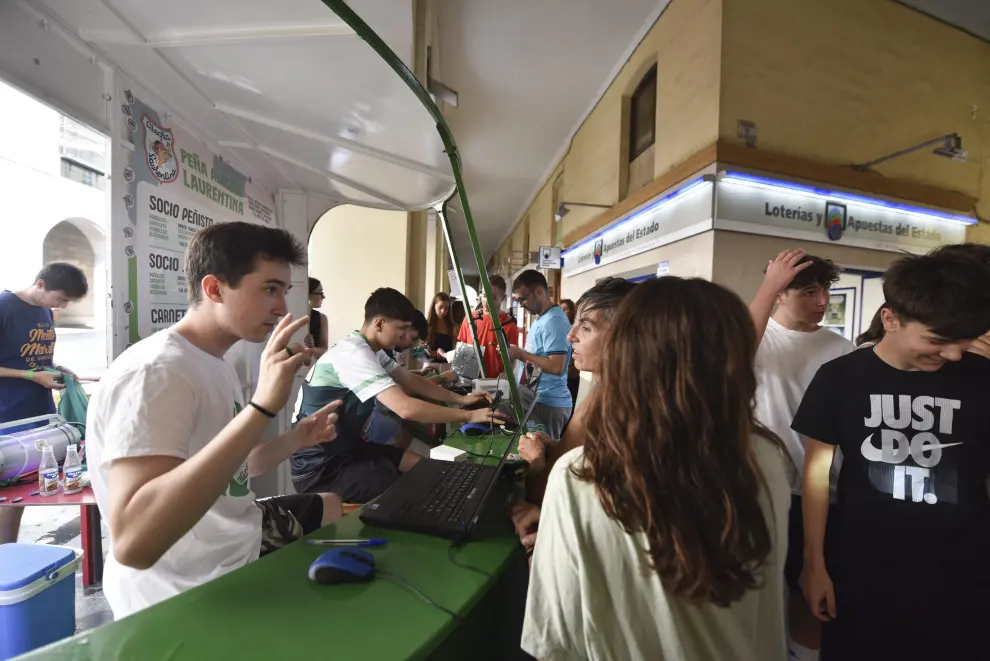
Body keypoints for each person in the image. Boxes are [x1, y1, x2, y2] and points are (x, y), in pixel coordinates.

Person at [522, 277, 790, 661]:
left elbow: (554, 641)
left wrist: (546, 543)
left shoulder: (581, 477)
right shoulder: (766, 460)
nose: (572, 339)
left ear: (628, 351)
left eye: (588, 326)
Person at [86, 222, 345, 619]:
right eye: (269, 289)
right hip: (183, 585)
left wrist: (295, 439)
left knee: (330, 505)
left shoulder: (214, 362)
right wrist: (261, 408)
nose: (281, 308)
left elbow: (234, 468)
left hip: (236, 538)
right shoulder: (159, 372)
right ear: (214, 289)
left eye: (284, 292)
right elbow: (134, 542)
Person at [793, 249, 990, 660]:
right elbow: (815, 474)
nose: (953, 355)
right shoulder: (840, 378)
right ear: (891, 319)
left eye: (962, 342)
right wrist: (814, 564)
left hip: (963, 569)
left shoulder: (980, 378)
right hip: (863, 567)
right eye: (937, 341)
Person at [291, 288, 503, 502]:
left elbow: (410, 379)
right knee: (411, 488)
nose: (404, 337)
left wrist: (462, 399)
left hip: (348, 450)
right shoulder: (354, 353)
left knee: (424, 466)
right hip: (320, 467)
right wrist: (468, 416)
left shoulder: (371, 350)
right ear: (380, 324)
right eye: (401, 329)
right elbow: (405, 407)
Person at [748, 249, 852, 661]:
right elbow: (731, 354)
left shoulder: (841, 348)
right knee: (767, 590)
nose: (823, 301)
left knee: (815, 591)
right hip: (767, 489)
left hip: (826, 493)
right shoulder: (758, 338)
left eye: (825, 290)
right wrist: (770, 282)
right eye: (809, 291)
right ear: (779, 296)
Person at [510, 277, 636, 552]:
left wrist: (537, 460)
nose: (571, 336)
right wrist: (556, 447)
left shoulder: (605, 407)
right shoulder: (607, 394)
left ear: (622, 335)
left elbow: (548, 494)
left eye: (586, 327)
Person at [0, 262, 88, 544]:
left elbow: (37, 358)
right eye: (60, 298)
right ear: (40, 284)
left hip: (39, 413)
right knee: (5, 490)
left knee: (22, 491)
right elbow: (28, 368)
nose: (61, 306)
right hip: (8, 414)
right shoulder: (5, 307)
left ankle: (10, 551)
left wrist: (59, 369)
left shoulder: (45, 311)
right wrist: (31, 376)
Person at [509, 270, 573, 439]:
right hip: (536, 399)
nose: (521, 304)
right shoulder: (541, 319)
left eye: (523, 299)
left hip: (549, 403)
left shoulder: (554, 321)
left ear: (539, 292)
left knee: (544, 456)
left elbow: (556, 366)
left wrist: (520, 354)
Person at [456, 275, 519, 378]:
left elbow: (512, 360)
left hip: (496, 381)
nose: (486, 301)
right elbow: (461, 351)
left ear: (502, 298)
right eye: (484, 295)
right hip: (469, 380)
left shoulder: (509, 325)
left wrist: (504, 376)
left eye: (493, 297)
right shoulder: (470, 319)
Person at [559, 298, 580, 404]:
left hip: (571, 374)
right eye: (560, 309)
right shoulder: (556, 328)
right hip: (558, 375)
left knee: (569, 403)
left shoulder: (575, 329)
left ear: (571, 312)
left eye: (565, 309)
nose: (562, 311)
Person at [304, 277, 329, 359]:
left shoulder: (322, 318)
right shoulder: (291, 316)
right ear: (309, 295)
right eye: (320, 293)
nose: (323, 297)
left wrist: (312, 349)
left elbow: (324, 350)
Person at [426, 292, 456, 358]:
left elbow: (456, 349)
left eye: (446, 308)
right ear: (434, 306)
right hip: (430, 364)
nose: (443, 311)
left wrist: (446, 355)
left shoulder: (452, 326)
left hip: (447, 365)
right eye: (440, 307)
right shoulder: (427, 325)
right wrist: (428, 353)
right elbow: (417, 351)